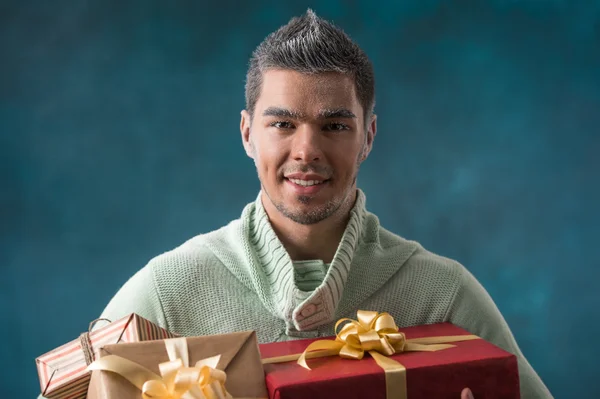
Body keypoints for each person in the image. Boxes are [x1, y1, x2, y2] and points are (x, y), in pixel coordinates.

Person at [43, 10, 553, 399]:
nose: (306, 150)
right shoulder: (170, 290)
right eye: (282, 123)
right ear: (247, 133)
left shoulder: (443, 296)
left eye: (334, 125)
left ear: (368, 136)